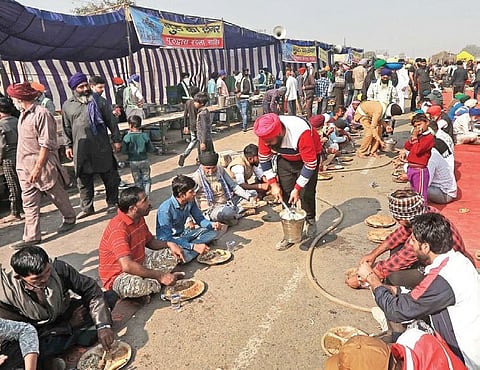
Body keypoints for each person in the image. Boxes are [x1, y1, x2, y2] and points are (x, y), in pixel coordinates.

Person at [358, 213, 480, 368]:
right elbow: (424, 295)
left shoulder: (443, 278)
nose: (410, 244)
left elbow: (396, 310)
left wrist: (371, 278)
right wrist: (392, 289)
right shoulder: (457, 261)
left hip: (463, 360)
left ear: (425, 247)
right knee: (393, 296)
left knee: (407, 334)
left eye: (413, 241)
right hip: (467, 342)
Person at [0, 246, 115, 369]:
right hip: (40, 332)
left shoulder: (59, 269)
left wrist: (103, 325)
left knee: (109, 297)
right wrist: (68, 326)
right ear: (20, 278)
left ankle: (71, 340)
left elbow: (90, 290)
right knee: (16, 355)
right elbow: (23, 334)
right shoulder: (7, 296)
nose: (45, 279)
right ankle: (75, 336)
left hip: (64, 313)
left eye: (47, 272)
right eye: (37, 279)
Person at [356, 189, 473, 290]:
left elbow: (400, 258)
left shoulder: (422, 234)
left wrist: (365, 278)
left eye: (398, 219)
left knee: (393, 277)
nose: (397, 221)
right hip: (444, 259)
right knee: (397, 247)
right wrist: (373, 254)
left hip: (450, 273)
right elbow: (399, 235)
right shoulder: (425, 213)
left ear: (403, 218)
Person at [7, 82, 76, 248]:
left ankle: (69, 218)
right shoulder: (23, 115)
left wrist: (38, 168)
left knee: (56, 195)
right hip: (24, 167)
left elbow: (46, 144)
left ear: (19, 98)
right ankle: (31, 237)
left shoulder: (42, 114)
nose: (12, 101)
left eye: (13, 98)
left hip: (43, 165)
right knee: (29, 202)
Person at [99, 186, 185, 299]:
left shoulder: (139, 218)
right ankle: (159, 281)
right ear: (133, 208)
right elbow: (127, 266)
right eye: (145, 201)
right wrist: (160, 275)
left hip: (140, 264)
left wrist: (170, 244)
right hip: (118, 276)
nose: (149, 203)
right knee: (137, 286)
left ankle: (155, 283)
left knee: (172, 253)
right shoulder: (118, 229)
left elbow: (150, 242)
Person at [254, 113, 322, 250]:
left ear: (279, 133)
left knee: (306, 193)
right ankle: (290, 233)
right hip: (285, 159)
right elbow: (264, 160)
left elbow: (310, 164)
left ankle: (310, 220)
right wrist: (273, 184)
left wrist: (297, 188)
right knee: (284, 193)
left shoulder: (301, 133)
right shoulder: (265, 135)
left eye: (269, 141)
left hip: (307, 160)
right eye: (264, 141)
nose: (266, 144)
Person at [62, 72, 122, 219]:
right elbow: (66, 127)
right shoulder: (68, 106)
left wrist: (116, 139)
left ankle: (112, 203)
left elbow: (111, 122)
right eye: (81, 87)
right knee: (83, 179)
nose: (85, 89)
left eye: (86, 85)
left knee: (109, 176)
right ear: (74, 89)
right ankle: (87, 207)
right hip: (81, 149)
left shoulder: (99, 101)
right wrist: (68, 146)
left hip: (101, 146)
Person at [156, 175, 226, 263]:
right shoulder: (165, 210)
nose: (194, 193)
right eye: (191, 191)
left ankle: (194, 247)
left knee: (213, 231)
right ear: (182, 195)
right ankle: (195, 248)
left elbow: (200, 219)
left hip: (184, 235)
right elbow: (167, 239)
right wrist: (193, 246)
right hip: (172, 241)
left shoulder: (190, 201)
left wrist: (212, 224)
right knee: (182, 256)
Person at [192, 151, 255, 226]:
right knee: (228, 213)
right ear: (202, 166)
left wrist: (249, 197)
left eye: (213, 168)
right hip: (212, 209)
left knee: (253, 193)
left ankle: (235, 215)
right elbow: (189, 199)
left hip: (227, 201)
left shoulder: (220, 169)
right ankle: (238, 214)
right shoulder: (196, 178)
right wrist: (189, 219)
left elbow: (234, 186)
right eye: (208, 168)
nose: (211, 171)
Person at [403, 113, 435, 203]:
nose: (418, 128)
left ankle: (422, 213)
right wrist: (413, 138)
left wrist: (415, 137)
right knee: (413, 193)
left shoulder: (429, 138)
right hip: (411, 168)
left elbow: (418, 150)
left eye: (419, 124)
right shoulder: (419, 137)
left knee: (420, 195)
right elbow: (407, 146)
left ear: (427, 122)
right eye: (415, 126)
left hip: (419, 170)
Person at [0, 97, 22, 223]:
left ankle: (15, 212)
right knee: (23, 184)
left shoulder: (1, 125)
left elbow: (1, 146)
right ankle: (27, 209)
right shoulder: (17, 120)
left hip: (9, 158)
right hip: (20, 155)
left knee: (12, 185)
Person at [121, 115, 155, 195]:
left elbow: (123, 151)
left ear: (130, 125)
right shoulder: (144, 136)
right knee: (146, 180)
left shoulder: (127, 137)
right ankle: (147, 197)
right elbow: (151, 149)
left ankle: (140, 198)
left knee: (137, 181)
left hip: (133, 162)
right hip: (144, 160)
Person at [178, 86, 201, 167]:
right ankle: (199, 159)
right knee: (199, 142)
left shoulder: (188, 102)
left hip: (191, 125)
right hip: (198, 125)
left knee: (193, 141)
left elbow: (185, 115)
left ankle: (184, 155)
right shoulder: (197, 103)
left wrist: (185, 126)